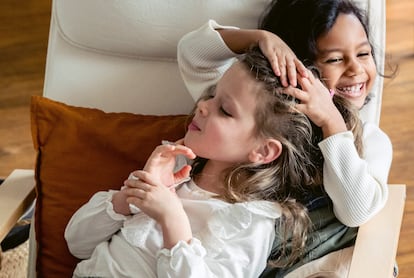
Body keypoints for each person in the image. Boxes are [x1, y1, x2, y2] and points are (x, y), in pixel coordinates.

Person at [65, 47, 359, 277]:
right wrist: (128, 197)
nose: (203, 106)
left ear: (263, 152)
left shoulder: (249, 220)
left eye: (225, 110)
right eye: (212, 95)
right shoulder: (174, 176)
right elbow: (76, 244)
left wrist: (173, 220)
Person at [177, 0, 392, 228]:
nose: (356, 69)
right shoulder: (246, 100)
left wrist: (331, 121)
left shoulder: (371, 139)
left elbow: (356, 212)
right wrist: (262, 38)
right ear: (296, 65)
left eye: (364, 53)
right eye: (335, 59)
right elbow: (193, 53)